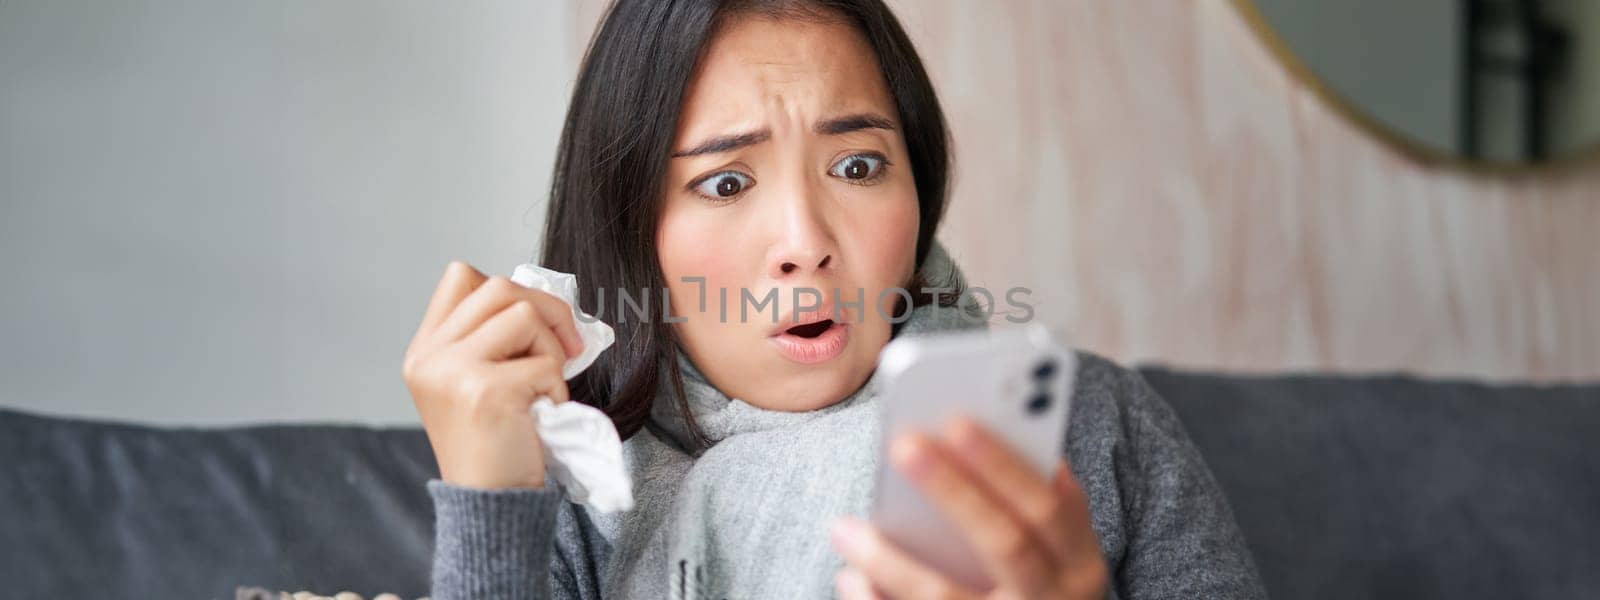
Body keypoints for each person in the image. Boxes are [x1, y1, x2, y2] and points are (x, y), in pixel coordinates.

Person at [401, 0, 1266, 597]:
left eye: (856, 167)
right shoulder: (571, 497)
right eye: (727, 181)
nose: (805, 240)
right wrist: (492, 509)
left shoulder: (1085, 425)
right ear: (634, 229)